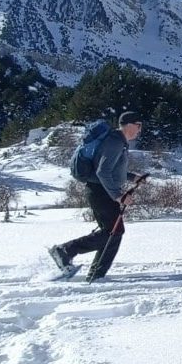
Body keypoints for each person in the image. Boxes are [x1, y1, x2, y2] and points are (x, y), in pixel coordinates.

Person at [50, 111, 143, 282]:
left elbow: (110, 168)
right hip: (101, 192)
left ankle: (96, 275)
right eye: (139, 125)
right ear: (129, 125)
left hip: (101, 190)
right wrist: (119, 196)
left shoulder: (118, 141)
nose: (139, 130)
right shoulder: (115, 142)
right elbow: (102, 171)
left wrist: (133, 177)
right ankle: (66, 251)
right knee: (114, 232)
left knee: (112, 233)